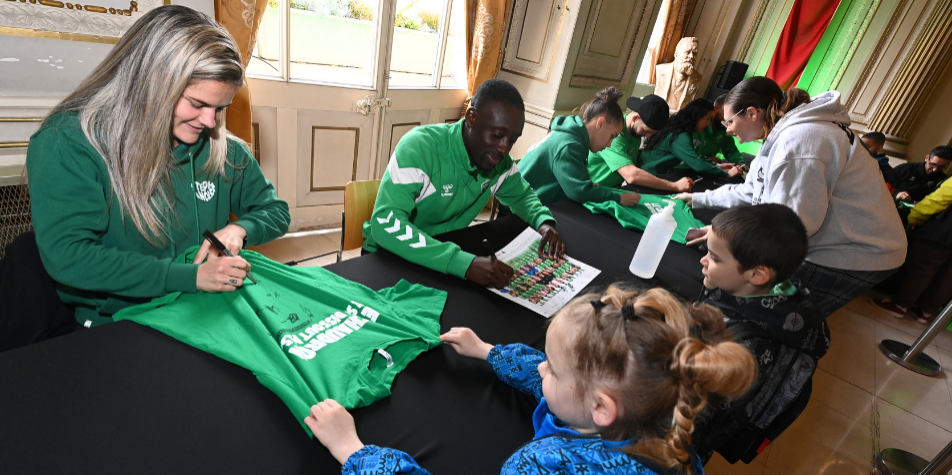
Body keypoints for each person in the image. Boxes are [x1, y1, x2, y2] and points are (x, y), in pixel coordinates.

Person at [25, 6, 291, 329]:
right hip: (119, 325)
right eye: (197, 104)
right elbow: (70, 257)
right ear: (151, 84)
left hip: (202, 312)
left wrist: (240, 229)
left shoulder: (222, 148)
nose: (210, 122)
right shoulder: (68, 142)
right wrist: (188, 277)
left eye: (220, 108)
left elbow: (276, 211)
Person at [303, 285, 757, 474]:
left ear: (601, 409)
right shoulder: (669, 427)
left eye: (552, 369)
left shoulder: (541, 464)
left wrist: (354, 451)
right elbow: (565, 383)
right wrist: (489, 352)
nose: (542, 367)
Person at [676, 77, 906, 317]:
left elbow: (793, 226)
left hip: (857, 250)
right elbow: (752, 191)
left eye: (729, 121)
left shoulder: (798, 141)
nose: (728, 129)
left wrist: (727, 237)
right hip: (839, 238)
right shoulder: (783, 134)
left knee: (782, 317)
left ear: (752, 113)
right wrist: (696, 198)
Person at [362, 79, 564, 289]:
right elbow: (385, 222)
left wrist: (544, 222)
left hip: (440, 254)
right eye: (497, 135)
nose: (504, 148)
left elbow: (522, 196)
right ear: (471, 118)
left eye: (512, 140)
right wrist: (462, 263)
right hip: (387, 256)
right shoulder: (420, 147)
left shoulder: (499, 162)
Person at [692, 204, 829, 459]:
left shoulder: (746, 347)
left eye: (713, 257)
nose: (702, 260)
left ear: (756, 274)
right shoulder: (765, 288)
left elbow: (700, 414)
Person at [519, 86, 641, 207]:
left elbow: (573, 185)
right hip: (515, 210)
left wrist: (588, 187)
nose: (610, 144)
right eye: (612, 136)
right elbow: (579, 192)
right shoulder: (570, 145)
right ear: (600, 123)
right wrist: (618, 198)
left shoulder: (571, 137)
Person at [872, 177, 952, 323]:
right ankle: (925, 312)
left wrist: (916, 215)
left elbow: (939, 199)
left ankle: (899, 305)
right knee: (947, 276)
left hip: (943, 232)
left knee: (922, 268)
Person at [587, 94, 694, 192]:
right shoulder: (613, 136)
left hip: (613, 190)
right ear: (635, 118)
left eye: (652, 133)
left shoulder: (635, 133)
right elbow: (631, 175)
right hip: (591, 191)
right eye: (647, 131)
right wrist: (675, 186)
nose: (648, 136)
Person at [639, 98, 744, 179]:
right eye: (707, 119)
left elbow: (695, 155)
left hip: (658, 173)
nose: (708, 124)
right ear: (697, 117)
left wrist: (716, 165)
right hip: (650, 175)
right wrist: (727, 174)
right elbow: (697, 163)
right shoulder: (680, 136)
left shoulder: (681, 130)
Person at [887, 145, 951, 203]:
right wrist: (897, 194)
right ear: (927, 158)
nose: (935, 169)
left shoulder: (943, 181)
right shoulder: (906, 169)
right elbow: (884, 185)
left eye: (941, 167)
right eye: (933, 164)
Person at [653, 37, 703, 111]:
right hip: (657, 112)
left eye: (694, 53)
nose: (691, 56)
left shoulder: (697, 77)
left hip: (678, 118)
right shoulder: (661, 69)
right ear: (676, 54)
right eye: (687, 52)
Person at [695, 94, 745, 165]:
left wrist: (740, 163)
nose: (727, 121)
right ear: (716, 108)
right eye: (726, 114)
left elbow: (730, 150)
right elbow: (685, 154)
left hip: (706, 168)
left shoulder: (724, 128)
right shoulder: (698, 123)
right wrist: (707, 159)